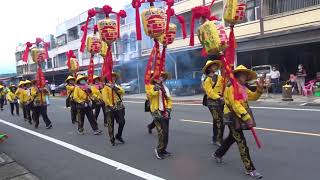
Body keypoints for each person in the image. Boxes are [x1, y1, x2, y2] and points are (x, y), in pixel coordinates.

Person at [213, 65, 264, 179]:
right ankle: (250, 169)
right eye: (243, 74)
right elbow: (235, 105)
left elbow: (253, 97)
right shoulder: (231, 87)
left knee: (232, 138)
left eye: (246, 75)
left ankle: (218, 153)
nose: (245, 77)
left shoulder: (242, 87)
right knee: (242, 143)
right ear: (237, 75)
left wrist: (259, 89)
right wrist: (247, 118)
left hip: (239, 116)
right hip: (232, 117)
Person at [147, 72, 172, 160]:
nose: (161, 78)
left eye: (163, 77)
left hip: (165, 111)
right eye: (159, 76)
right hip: (156, 111)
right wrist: (155, 89)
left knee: (166, 132)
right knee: (161, 132)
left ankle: (163, 149)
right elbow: (149, 95)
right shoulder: (150, 86)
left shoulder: (165, 88)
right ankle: (158, 150)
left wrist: (168, 110)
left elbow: (169, 100)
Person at [202, 60, 225, 146]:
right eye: (213, 65)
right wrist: (219, 98)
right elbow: (209, 92)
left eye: (215, 65)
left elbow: (224, 86)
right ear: (209, 68)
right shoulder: (207, 80)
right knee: (220, 120)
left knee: (216, 120)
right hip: (212, 102)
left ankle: (215, 138)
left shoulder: (219, 77)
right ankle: (219, 139)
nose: (215, 66)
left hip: (221, 101)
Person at [101, 72, 126, 146]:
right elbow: (105, 98)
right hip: (110, 107)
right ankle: (112, 139)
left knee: (122, 122)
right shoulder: (105, 88)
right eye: (111, 77)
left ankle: (118, 135)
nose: (113, 78)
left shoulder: (117, 86)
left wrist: (114, 87)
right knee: (110, 124)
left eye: (114, 77)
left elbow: (122, 92)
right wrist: (111, 105)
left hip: (119, 106)